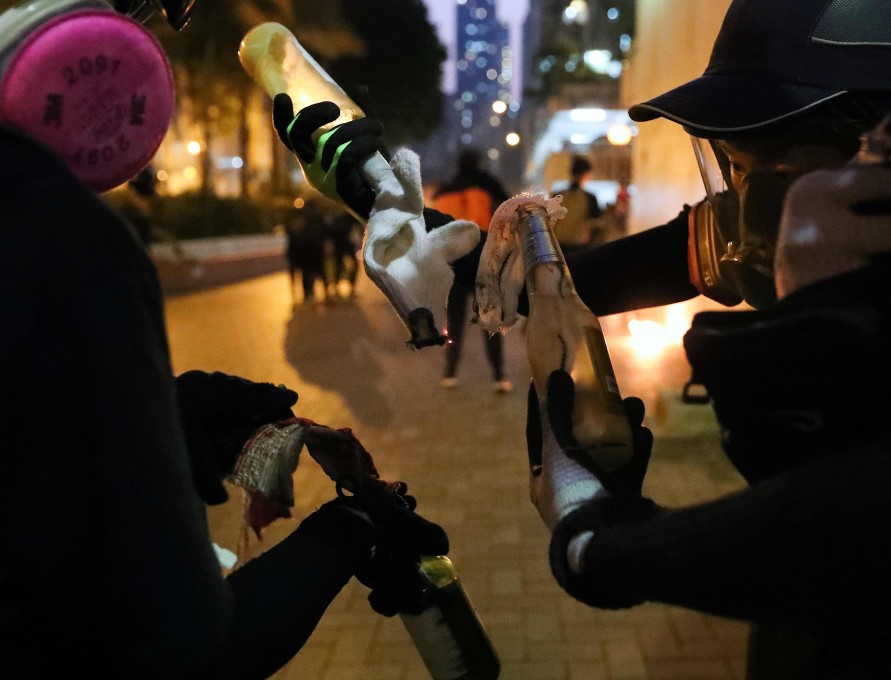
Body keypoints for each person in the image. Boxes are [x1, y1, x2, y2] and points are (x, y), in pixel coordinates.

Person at [525, 1, 891, 679]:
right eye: (735, 166)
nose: (752, 210)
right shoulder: (873, 226)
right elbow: (702, 246)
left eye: (782, 169)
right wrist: (497, 268)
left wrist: (597, 540)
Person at [0, 1, 449, 677]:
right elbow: (177, 639)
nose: (155, 24)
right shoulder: (56, 234)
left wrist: (170, 421)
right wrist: (351, 533)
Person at [430, 148, 513, 393]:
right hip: (482, 262)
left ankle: (450, 373)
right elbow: (509, 208)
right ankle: (498, 376)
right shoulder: (487, 184)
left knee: (454, 321)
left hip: (454, 264)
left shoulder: (445, 191)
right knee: (490, 321)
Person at [552, 154, 604, 253]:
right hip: (579, 246)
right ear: (586, 174)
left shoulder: (558, 196)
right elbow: (596, 224)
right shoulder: (590, 198)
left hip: (557, 246)